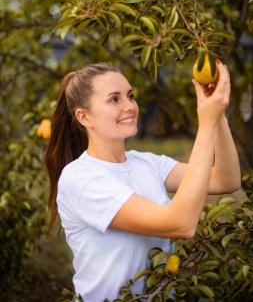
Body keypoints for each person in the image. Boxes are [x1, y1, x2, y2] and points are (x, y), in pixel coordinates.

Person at [45, 61, 241, 302]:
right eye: (114, 99)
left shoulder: (147, 163)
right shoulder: (80, 179)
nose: (130, 106)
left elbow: (225, 179)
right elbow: (180, 224)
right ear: (84, 117)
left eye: (130, 96)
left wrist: (217, 113)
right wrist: (207, 122)